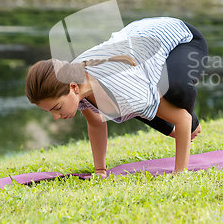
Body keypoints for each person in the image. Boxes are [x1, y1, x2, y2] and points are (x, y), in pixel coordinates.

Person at [25, 17, 209, 178]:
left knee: (175, 92)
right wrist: (100, 171)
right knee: (130, 107)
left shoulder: (121, 87)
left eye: (56, 108)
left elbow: (182, 118)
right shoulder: (74, 77)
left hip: (181, 38)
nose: (56, 117)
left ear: (73, 88)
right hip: (138, 38)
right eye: (50, 111)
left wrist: (179, 172)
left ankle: (193, 117)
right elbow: (96, 122)